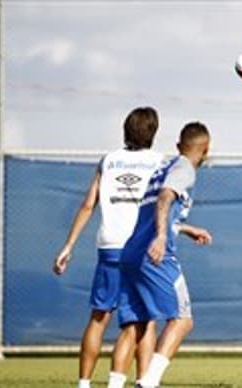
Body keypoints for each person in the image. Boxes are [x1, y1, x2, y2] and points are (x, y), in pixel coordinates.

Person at [52, 107, 164, 388]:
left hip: (110, 246)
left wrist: (68, 245)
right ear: (153, 132)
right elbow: (164, 205)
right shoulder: (160, 162)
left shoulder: (109, 161)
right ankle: (142, 382)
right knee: (145, 321)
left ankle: (84, 384)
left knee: (99, 318)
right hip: (141, 251)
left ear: (126, 130)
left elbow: (89, 204)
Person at [107, 122, 212, 388]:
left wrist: (185, 229)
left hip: (130, 252)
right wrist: (162, 237)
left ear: (179, 145)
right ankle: (149, 382)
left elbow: (157, 208)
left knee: (136, 325)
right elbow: (166, 197)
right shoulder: (185, 168)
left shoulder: (161, 169)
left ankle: (114, 385)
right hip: (154, 255)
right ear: (206, 149)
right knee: (183, 320)